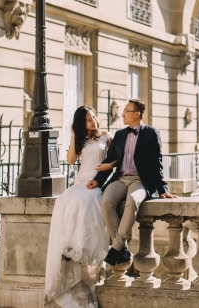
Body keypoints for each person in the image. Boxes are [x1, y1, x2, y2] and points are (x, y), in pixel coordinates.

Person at [86, 99, 177, 266]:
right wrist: (97, 181)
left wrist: (162, 189)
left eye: (126, 111)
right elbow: (110, 160)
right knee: (106, 202)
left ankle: (116, 246)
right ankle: (121, 247)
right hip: (120, 179)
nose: (122, 114)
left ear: (137, 114)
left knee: (132, 201)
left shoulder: (151, 133)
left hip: (140, 181)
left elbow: (156, 162)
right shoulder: (120, 135)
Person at [44, 106, 115, 308]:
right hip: (80, 181)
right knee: (66, 201)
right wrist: (75, 134)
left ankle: (83, 249)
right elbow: (71, 159)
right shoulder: (81, 138)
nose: (93, 121)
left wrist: (108, 167)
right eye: (87, 119)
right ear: (81, 123)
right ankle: (70, 247)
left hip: (96, 182)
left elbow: (115, 158)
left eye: (94, 117)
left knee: (86, 202)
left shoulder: (106, 136)